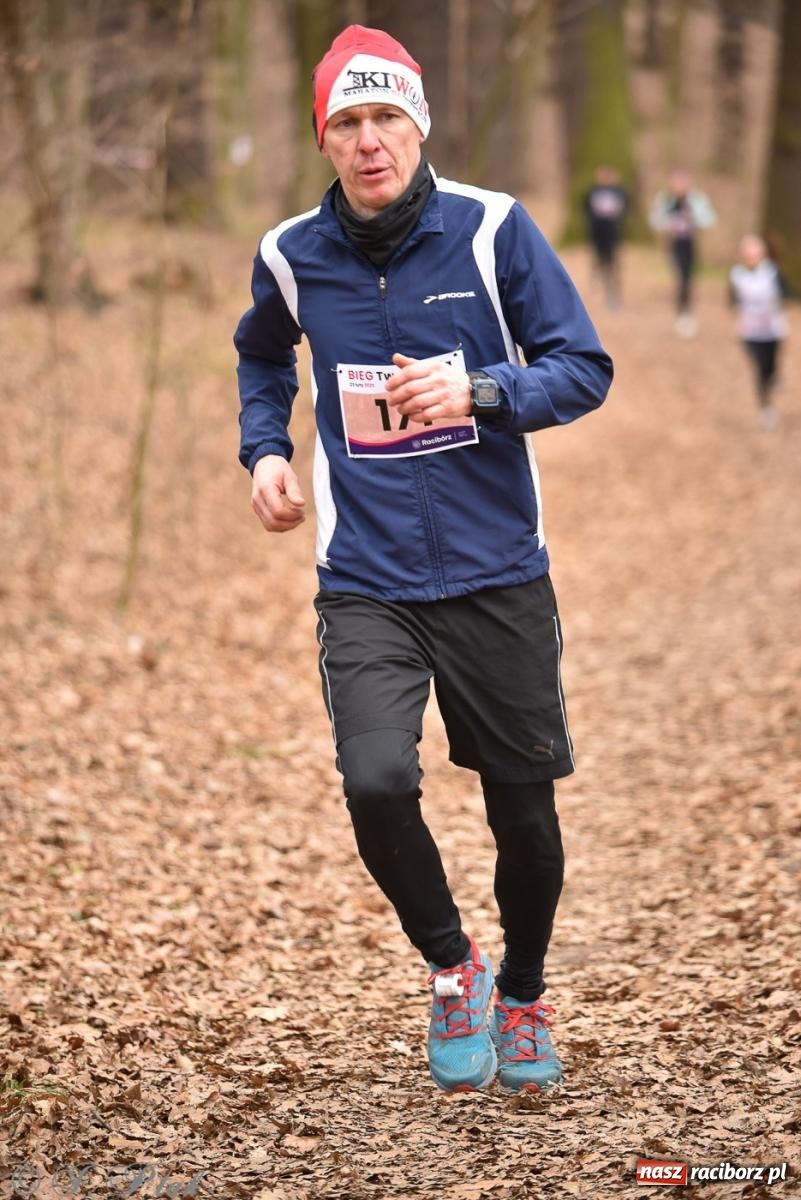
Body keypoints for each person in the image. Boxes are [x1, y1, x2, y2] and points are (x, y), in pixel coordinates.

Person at [234, 25, 613, 1095]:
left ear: (419, 125)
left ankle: (524, 995)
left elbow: (584, 366)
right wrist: (266, 450)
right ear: (323, 138)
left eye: (386, 118)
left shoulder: (493, 230)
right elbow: (261, 355)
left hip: (497, 572)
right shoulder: (289, 254)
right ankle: (454, 967)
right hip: (368, 577)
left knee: (523, 816)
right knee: (374, 779)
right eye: (347, 123)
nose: (369, 141)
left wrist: (482, 391)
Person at [729, 234, 789, 431]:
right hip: (750, 332)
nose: (751, 253)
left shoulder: (772, 271)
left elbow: (786, 293)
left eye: (754, 248)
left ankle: (773, 376)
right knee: (760, 368)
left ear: (763, 251)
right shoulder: (736, 274)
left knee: (770, 367)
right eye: (747, 249)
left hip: (773, 330)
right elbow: (731, 300)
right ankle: (766, 408)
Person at [649, 169, 716, 338]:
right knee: (680, 276)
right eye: (676, 182)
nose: (679, 186)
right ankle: (681, 313)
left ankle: (686, 313)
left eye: (682, 182)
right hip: (673, 244)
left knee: (687, 278)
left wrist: (693, 215)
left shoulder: (696, 199)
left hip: (690, 243)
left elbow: (709, 219)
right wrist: (668, 222)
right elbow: (655, 220)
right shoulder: (665, 200)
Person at [583, 164, 629, 309]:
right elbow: (586, 210)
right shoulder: (592, 192)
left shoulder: (619, 192)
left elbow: (625, 209)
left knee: (613, 264)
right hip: (597, 233)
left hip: (613, 234)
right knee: (599, 259)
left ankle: (613, 294)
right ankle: (598, 278)